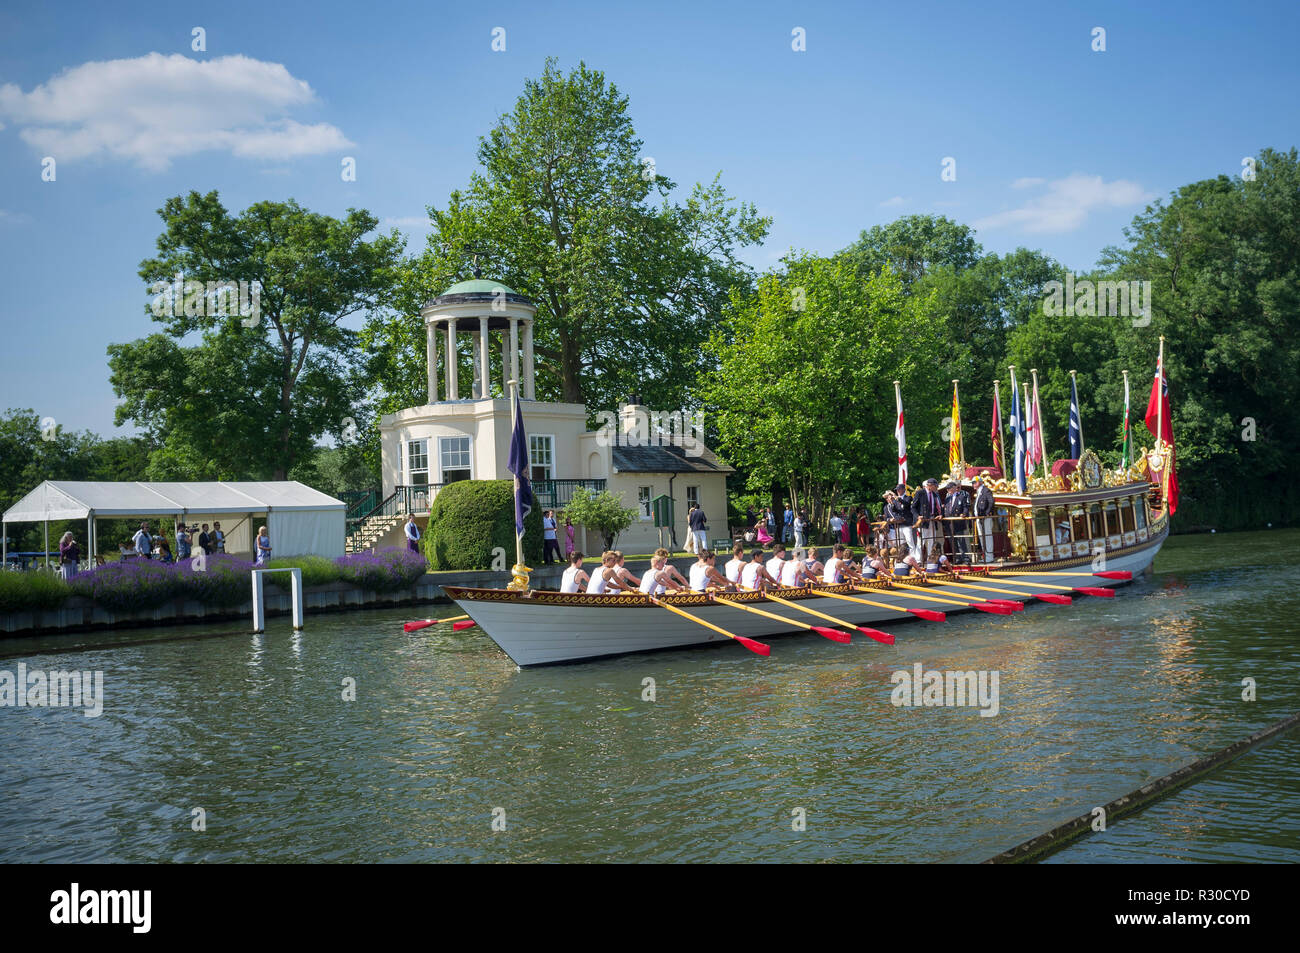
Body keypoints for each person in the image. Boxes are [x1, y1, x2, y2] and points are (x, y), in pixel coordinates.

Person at [914, 478, 943, 563]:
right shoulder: (920, 493)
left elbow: (936, 507)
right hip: (923, 521)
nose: (936, 488)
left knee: (931, 541)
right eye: (935, 486)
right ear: (930, 485)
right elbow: (913, 507)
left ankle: (930, 559)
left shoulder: (934, 494)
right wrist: (918, 516)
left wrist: (939, 515)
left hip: (932, 520)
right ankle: (918, 560)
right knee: (921, 541)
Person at [943, 480, 972, 564]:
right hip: (949, 523)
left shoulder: (961, 497)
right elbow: (946, 509)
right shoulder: (947, 499)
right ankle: (957, 558)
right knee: (953, 541)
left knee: (961, 540)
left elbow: (965, 507)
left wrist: (964, 514)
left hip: (958, 522)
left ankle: (965, 557)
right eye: (947, 489)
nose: (948, 491)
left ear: (954, 488)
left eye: (949, 489)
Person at [975, 480, 996, 563]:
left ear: (979, 482)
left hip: (985, 518)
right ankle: (985, 556)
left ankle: (989, 556)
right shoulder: (978, 492)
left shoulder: (986, 490)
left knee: (987, 537)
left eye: (974, 482)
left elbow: (991, 501)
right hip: (979, 518)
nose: (973, 484)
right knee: (981, 537)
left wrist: (987, 512)